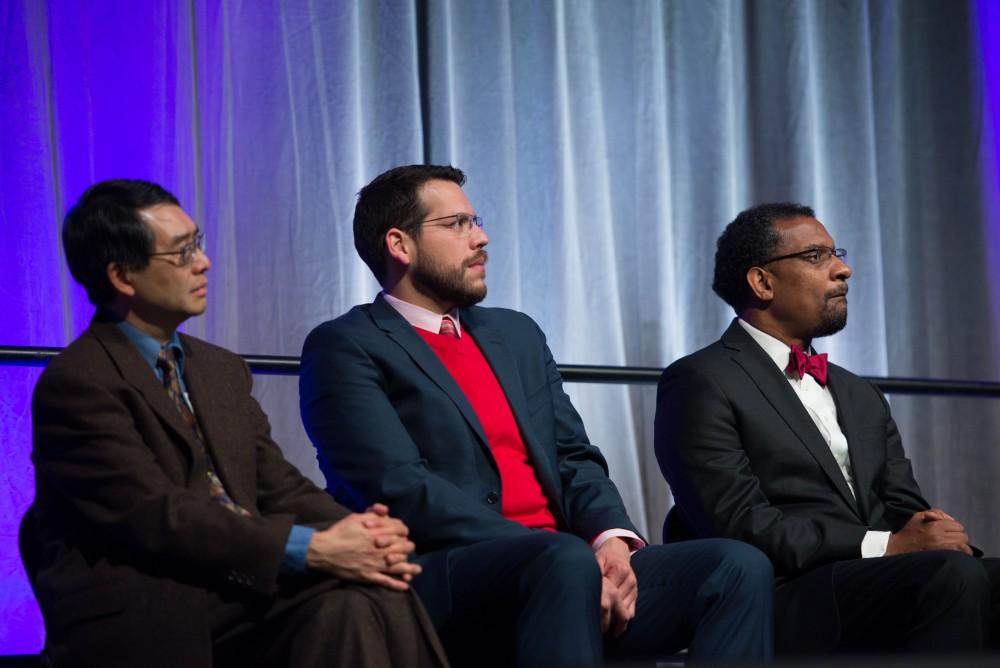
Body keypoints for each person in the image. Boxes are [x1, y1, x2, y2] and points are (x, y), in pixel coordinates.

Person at [299, 164, 773, 667]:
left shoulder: (516, 334)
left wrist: (611, 542)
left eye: (476, 220)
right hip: (447, 575)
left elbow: (572, 456)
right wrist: (567, 557)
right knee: (561, 560)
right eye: (457, 224)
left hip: (568, 563)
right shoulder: (346, 346)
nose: (480, 237)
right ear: (400, 244)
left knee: (735, 565)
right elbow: (399, 489)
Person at [19, 179, 447, 668]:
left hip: (240, 579)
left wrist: (360, 533)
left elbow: (279, 485)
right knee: (344, 597)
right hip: (155, 598)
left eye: (197, 244)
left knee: (376, 584)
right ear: (122, 276)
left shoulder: (218, 369)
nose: (203, 263)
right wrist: (312, 549)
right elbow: (160, 517)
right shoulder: (79, 383)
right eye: (181, 254)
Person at [655, 202, 1000, 653]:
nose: (844, 269)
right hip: (786, 591)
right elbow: (739, 522)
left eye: (836, 253)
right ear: (762, 282)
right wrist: (887, 546)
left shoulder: (860, 393)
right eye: (817, 256)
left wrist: (932, 533)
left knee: (973, 573)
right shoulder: (702, 379)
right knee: (949, 579)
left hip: (882, 576)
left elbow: (901, 502)